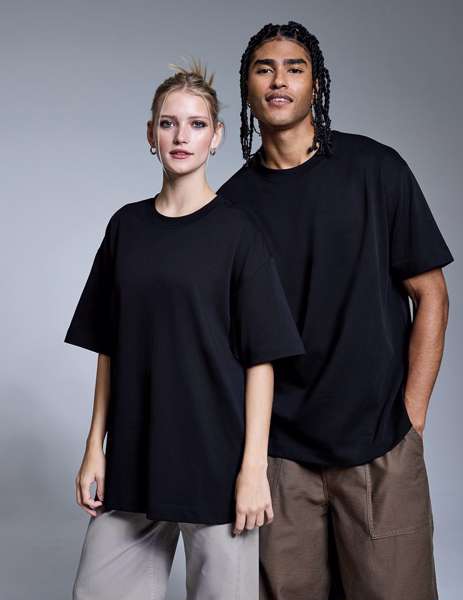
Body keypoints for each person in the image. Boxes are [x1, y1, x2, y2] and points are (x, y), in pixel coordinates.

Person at [218, 21, 454, 600]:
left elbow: (431, 294)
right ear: (247, 88)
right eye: (264, 69)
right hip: (279, 456)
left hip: (379, 443)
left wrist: (412, 419)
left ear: (316, 84)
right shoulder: (230, 208)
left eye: (294, 68)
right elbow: (226, 343)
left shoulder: (376, 169)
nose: (279, 80)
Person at [64, 61, 305, 600]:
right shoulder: (126, 227)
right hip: (136, 458)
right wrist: (94, 447)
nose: (181, 136)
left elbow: (261, 360)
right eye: (169, 123)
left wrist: (253, 469)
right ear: (151, 134)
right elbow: (108, 347)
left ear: (216, 137)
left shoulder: (240, 232)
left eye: (196, 124)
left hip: (217, 464)